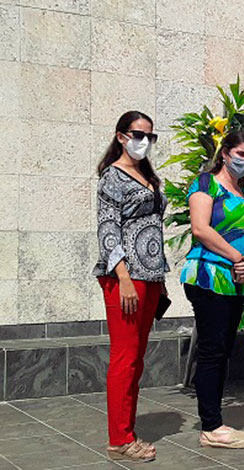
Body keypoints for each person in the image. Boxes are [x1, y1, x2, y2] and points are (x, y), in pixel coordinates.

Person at [94, 111, 167, 463]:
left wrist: (160, 279)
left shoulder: (147, 174)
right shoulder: (112, 176)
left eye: (149, 136)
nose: (144, 141)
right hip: (125, 278)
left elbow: (154, 228)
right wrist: (122, 276)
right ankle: (120, 438)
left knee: (136, 359)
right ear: (121, 136)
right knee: (125, 358)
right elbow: (107, 228)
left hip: (150, 278)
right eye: (138, 134)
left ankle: (126, 430)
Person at [181, 130, 244, 449]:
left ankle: (215, 420)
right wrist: (237, 257)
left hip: (237, 280)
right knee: (212, 351)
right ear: (225, 153)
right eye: (241, 153)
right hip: (209, 275)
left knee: (224, 349)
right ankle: (210, 426)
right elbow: (200, 228)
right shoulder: (205, 184)